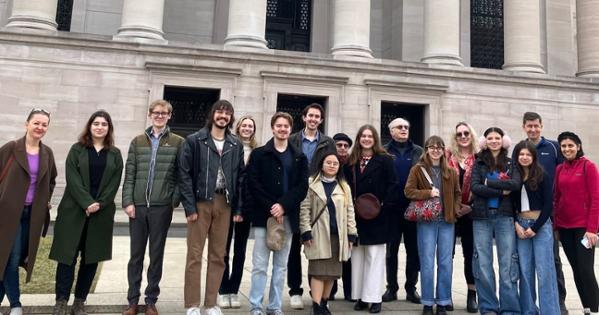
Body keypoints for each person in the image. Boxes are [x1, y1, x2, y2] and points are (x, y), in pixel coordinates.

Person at [50, 110, 123, 315]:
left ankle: (80, 302)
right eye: (96, 123)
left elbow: (114, 183)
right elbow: (72, 179)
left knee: (91, 259)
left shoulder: (115, 154)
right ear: (90, 126)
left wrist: (99, 204)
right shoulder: (77, 149)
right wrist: (86, 202)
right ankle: (61, 301)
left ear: (109, 128)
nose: (100, 127)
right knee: (67, 258)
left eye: (104, 124)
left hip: (100, 214)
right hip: (74, 211)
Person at [178, 100, 245, 315]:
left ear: (231, 117)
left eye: (227, 113)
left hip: (224, 204)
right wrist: (189, 207)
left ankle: (211, 303)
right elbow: (184, 174)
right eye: (219, 112)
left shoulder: (236, 144)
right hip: (200, 202)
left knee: (218, 255)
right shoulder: (195, 140)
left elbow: (240, 177)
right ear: (212, 114)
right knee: (194, 255)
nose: (223, 116)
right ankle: (192, 305)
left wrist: (238, 209)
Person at [121, 100, 184, 315]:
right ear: (150, 115)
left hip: (161, 207)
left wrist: (172, 201)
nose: (159, 116)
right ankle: (132, 300)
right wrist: (127, 201)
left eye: (163, 113)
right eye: (156, 113)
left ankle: (150, 300)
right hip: (137, 207)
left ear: (169, 116)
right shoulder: (137, 141)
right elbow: (129, 174)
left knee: (156, 254)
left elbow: (180, 175)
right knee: (135, 255)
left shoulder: (178, 142)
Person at [246, 112, 308, 315]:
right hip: (264, 217)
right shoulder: (259, 154)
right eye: (279, 126)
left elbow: (301, 187)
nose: (282, 129)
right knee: (260, 265)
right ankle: (256, 306)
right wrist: (272, 207)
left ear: (290, 129)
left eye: (286, 126)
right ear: (272, 128)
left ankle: (274, 306)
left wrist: (283, 206)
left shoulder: (299, 156)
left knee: (281, 267)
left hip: (288, 217)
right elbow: (253, 183)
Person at [0, 109, 57, 315]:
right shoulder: (11, 148)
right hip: (7, 214)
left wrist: (45, 200)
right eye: (36, 123)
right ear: (27, 124)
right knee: (12, 258)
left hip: (31, 216)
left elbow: (51, 180)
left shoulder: (47, 153)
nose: (40, 127)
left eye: (44, 124)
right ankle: (16, 304)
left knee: (9, 259)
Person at [405, 135, 460, 315]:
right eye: (432, 147)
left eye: (439, 147)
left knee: (445, 263)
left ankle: (443, 301)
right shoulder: (418, 169)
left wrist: (455, 209)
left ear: (443, 150)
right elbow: (409, 191)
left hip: (447, 221)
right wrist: (428, 192)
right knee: (427, 262)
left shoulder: (450, 171)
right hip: (427, 221)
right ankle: (428, 302)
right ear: (426, 149)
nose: (435, 150)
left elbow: (458, 194)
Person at [344, 124, 396, 314]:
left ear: (375, 139)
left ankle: (374, 298)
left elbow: (393, 185)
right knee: (357, 258)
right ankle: (360, 296)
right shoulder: (351, 161)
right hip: (356, 216)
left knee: (375, 257)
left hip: (378, 215)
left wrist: (383, 205)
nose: (366, 139)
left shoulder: (385, 160)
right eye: (363, 136)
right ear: (358, 139)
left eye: (370, 136)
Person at [287, 103, 335, 309]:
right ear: (304, 118)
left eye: (318, 116)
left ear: (321, 121)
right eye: (311, 116)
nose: (314, 119)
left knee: (318, 244)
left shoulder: (327, 142)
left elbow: (332, 165)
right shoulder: (292, 140)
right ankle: (295, 290)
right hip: (296, 196)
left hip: (318, 198)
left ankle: (317, 293)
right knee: (294, 246)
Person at [470, 127, 521, 315]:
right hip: (482, 217)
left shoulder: (510, 162)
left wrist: (489, 183)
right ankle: (489, 307)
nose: (493, 141)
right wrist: (500, 191)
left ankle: (509, 308)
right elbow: (475, 187)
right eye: (490, 138)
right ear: (485, 141)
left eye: (497, 138)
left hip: (504, 216)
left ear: (503, 140)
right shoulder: (479, 162)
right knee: (483, 264)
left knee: (507, 263)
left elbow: (515, 184)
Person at [299, 152, 358, 315]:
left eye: (335, 163)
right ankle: (316, 305)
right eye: (328, 162)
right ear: (321, 165)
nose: (332, 166)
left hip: (338, 236)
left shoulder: (344, 186)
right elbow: (305, 210)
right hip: (318, 234)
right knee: (318, 271)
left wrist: (352, 234)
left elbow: (350, 211)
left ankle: (324, 303)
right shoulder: (311, 184)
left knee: (332, 273)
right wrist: (305, 231)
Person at [511, 140, 560, 315]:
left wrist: (536, 228)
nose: (524, 157)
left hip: (541, 226)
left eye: (528, 154)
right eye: (521, 154)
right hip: (521, 226)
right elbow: (510, 204)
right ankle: (529, 310)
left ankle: (550, 311)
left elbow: (548, 205)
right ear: (516, 156)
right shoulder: (513, 176)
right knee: (525, 271)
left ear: (533, 156)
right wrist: (516, 224)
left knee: (545, 271)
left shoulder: (542, 175)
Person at [554, 131, 599, 315]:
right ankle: (587, 308)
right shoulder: (559, 169)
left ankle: (596, 309)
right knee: (576, 269)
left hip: (584, 229)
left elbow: (596, 199)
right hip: (565, 228)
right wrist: (556, 226)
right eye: (563, 146)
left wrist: (592, 229)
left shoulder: (588, 166)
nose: (567, 149)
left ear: (578, 146)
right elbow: (556, 199)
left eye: (570, 145)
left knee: (586, 269)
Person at [218, 115, 258, 309]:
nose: (247, 128)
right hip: (227, 203)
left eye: (251, 126)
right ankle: (223, 289)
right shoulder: (229, 146)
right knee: (223, 248)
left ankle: (234, 289)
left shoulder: (257, 152)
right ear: (238, 127)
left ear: (254, 130)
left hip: (247, 205)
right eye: (244, 125)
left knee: (240, 250)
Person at [382, 118, 422, 304]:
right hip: (391, 209)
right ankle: (391, 288)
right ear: (391, 131)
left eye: (406, 127)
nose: (404, 129)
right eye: (400, 127)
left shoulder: (418, 152)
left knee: (413, 250)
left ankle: (411, 288)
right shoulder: (383, 151)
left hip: (413, 208)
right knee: (391, 251)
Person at [445, 122, 479, 313]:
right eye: (459, 134)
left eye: (466, 133)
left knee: (470, 255)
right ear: (455, 137)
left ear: (472, 135)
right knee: (446, 255)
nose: (463, 136)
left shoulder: (479, 157)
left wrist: (470, 206)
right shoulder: (447, 156)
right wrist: (453, 206)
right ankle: (445, 294)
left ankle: (472, 295)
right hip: (450, 212)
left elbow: (484, 183)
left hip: (471, 212)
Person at [332, 132, 353, 301]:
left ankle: (349, 291)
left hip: (349, 213)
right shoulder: (328, 162)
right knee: (331, 253)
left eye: (346, 146)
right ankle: (329, 290)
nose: (343, 148)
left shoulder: (352, 165)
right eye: (339, 145)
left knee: (349, 255)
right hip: (331, 214)